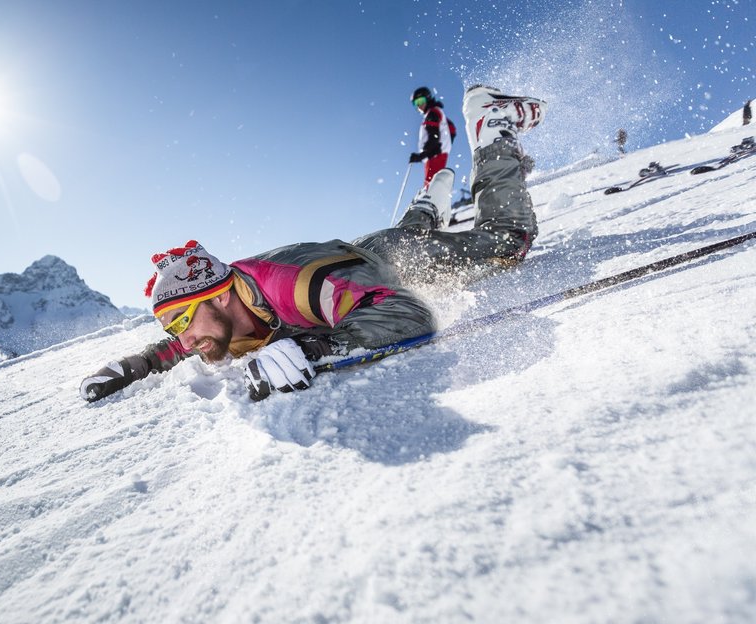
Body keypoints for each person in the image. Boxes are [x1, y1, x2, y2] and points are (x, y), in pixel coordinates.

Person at [80, 85, 546, 403]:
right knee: (410, 229)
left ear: (219, 295)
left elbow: (407, 313)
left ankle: (491, 124)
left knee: (508, 241)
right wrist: (134, 365)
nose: (183, 339)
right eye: (173, 328)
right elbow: (184, 344)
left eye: (182, 320)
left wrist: (313, 349)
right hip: (353, 254)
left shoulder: (294, 286)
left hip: (383, 264)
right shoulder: (216, 320)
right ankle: (430, 199)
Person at [408, 86, 457, 189]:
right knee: (433, 182)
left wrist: (424, 154)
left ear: (428, 98)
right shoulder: (436, 112)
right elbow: (452, 129)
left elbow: (434, 136)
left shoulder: (432, 113)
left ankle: (430, 196)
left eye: (421, 101)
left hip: (434, 154)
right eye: (416, 103)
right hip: (436, 153)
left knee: (430, 184)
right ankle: (432, 195)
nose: (419, 105)